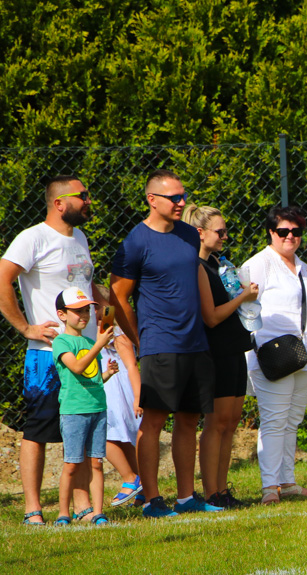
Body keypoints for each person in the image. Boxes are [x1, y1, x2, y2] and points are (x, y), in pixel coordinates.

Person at [110, 169, 222, 518]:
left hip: (195, 343)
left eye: (182, 195)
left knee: (189, 420)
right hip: (160, 344)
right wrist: (140, 339)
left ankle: (187, 498)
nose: (182, 202)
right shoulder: (135, 242)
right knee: (154, 421)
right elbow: (118, 296)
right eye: (174, 197)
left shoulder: (190, 235)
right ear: (152, 200)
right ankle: (152, 500)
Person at [0, 175, 105, 525]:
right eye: (83, 195)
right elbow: (2, 277)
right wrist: (26, 327)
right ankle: (33, 508)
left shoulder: (81, 238)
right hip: (48, 356)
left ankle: (82, 504)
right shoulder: (33, 238)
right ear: (60, 203)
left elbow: (82, 286)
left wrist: (103, 305)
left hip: (85, 353)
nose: (89, 200)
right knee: (39, 428)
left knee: (83, 425)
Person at [244, 206, 307, 504]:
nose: (290, 236)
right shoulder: (259, 264)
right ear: (271, 232)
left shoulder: (302, 266)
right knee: (275, 420)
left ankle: (287, 482)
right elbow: (245, 310)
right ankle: (269, 488)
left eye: (296, 231)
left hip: (305, 354)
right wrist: (259, 346)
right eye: (283, 231)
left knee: (292, 420)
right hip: (273, 355)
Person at [183, 204, 259, 508]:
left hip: (234, 348)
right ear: (200, 233)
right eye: (220, 231)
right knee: (215, 424)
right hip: (214, 352)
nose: (226, 236)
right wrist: (243, 297)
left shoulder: (218, 264)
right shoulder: (196, 268)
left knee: (230, 422)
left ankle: (223, 490)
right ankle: (212, 491)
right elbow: (211, 317)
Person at [52, 287, 119, 526]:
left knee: (96, 463)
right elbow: (78, 367)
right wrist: (99, 344)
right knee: (71, 464)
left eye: (86, 310)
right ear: (62, 314)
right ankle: (63, 513)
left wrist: (107, 374)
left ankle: (98, 512)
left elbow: (92, 377)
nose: (84, 315)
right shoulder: (61, 342)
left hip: (97, 407)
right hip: (74, 411)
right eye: (77, 311)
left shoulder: (90, 342)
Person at [93, 284, 144, 508]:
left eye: (95, 305)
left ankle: (129, 478)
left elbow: (132, 366)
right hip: (107, 390)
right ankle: (142, 487)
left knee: (102, 436)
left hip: (119, 392)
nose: (89, 310)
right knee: (122, 441)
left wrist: (137, 397)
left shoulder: (115, 331)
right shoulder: (97, 330)